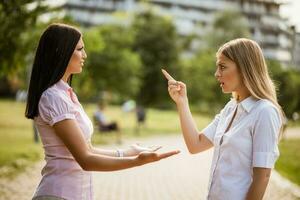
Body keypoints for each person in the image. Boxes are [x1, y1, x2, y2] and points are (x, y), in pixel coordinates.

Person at [25, 23, 179, 200]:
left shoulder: (66, 94)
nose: (85, 55)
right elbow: (85, 160)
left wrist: (129, 152)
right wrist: (137, 162)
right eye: (79, 49)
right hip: (58, 194)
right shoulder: (54, 97)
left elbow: (88, 149)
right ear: (62, 52)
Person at [162, 38, 284, 200]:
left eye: (223, 67)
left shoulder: (265, 112)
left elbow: (263, 177)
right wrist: (182, 102)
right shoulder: (231, 108)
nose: (216, 74)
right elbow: (195, 144)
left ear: (245, 69)